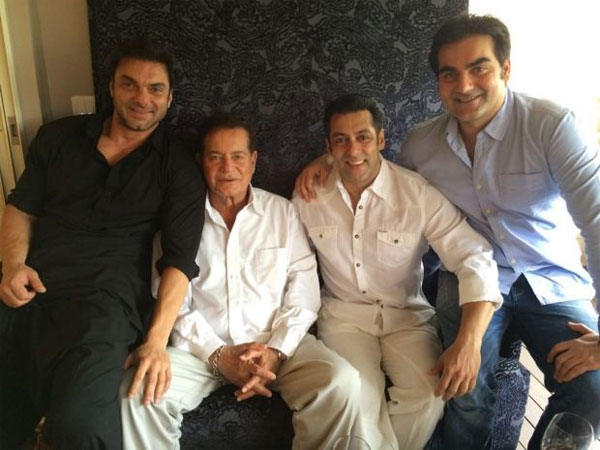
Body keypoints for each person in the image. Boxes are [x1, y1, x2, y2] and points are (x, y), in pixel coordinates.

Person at [296, 15, 600, 450]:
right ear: (438, 82)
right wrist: (330, 160)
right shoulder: (422, 145)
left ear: (506, 68)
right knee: (462, 390)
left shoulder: (551, 125)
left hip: (549, 279)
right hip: (462, 283)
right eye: (450, 73)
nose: (464, 85)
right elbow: (373, 170)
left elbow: (596, 219)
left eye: (479, 68)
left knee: (594, 389)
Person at [0, 37, 205, 450]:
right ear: (111, 87)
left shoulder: (179, 166)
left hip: (106, 304)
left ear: (169, 99)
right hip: (31, 284)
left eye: (155, 89)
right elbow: (21, 207)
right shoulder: (57, 137)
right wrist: (12, 266)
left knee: (81, 426)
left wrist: (155, 341)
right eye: (129, 84)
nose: (142, 98)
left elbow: (179, 260)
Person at [121, 112, 361, 450]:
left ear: (253, 161)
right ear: (200, 162)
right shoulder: (179, 220)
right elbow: (172, 303)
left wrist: (276, 350)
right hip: (202, 352)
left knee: (341, 382)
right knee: (137, 394)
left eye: (237, 156)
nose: (227, 168)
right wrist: (219, 355)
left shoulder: (282, 212)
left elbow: (304, 290)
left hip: (278, 347)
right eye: (215, 157)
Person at [292, 94, 502, 450]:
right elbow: (293, 266)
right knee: (357, 396)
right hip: (344, 319)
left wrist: (469, 341)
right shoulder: (308, 197)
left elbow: (473, 255)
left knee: (429, 394)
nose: (353, 150)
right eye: (341, 140)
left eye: (363, 137)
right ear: (328, 146)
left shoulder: (417, 194)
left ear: (381, 139)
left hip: (407, 317)